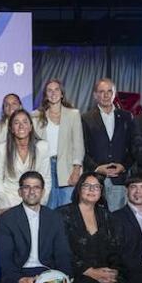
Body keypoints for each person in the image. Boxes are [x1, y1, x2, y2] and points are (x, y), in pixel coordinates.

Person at [81, 78, 135, 211]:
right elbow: (81, 149)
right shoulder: (85, 118)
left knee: (118, 221)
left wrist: (123, 166)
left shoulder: (127, 117)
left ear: (114, 93)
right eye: (101, 91)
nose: (105, 95)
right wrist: (97, 168)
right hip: (95, 179)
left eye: (109, 91)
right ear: (95, 95)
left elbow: (133, 147)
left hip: (120, 179)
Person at [32, 78, 84, 209]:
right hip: (44, 167)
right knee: (47, 207)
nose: (53, 93)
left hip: (67, 168)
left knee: (67, 208)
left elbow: (78, 144)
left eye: (56, 90)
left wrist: (76, 170)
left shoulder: (73, 114)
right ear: (45, 95)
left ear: (62, 94)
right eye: (49, 90)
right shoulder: (36, 116)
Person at [0, 109, 51, 213]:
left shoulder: (42, 147)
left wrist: (40, 202)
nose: (21, 126)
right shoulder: (2, 149)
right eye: (16, 123)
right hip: (8, 201)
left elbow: (46, 178)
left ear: (31, 127)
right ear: (11, 128)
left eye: (25, 122)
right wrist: (4, 205)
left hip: (34, 200)